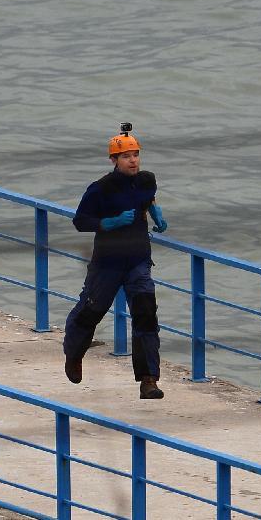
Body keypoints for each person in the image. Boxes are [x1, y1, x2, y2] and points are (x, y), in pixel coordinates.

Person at [62, 124, 168, 399]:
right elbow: (80, 221)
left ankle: (149, 380)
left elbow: (148, 198)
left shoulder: (147, 180)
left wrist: (156, 214)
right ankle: (74, 353)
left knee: (146, 315)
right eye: (126, 156)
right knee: (91, 312)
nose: (133, 160)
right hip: (107, 263)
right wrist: (108, 222)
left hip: (138, 260)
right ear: (114, 160)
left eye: (135, 154)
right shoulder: (100, 189)